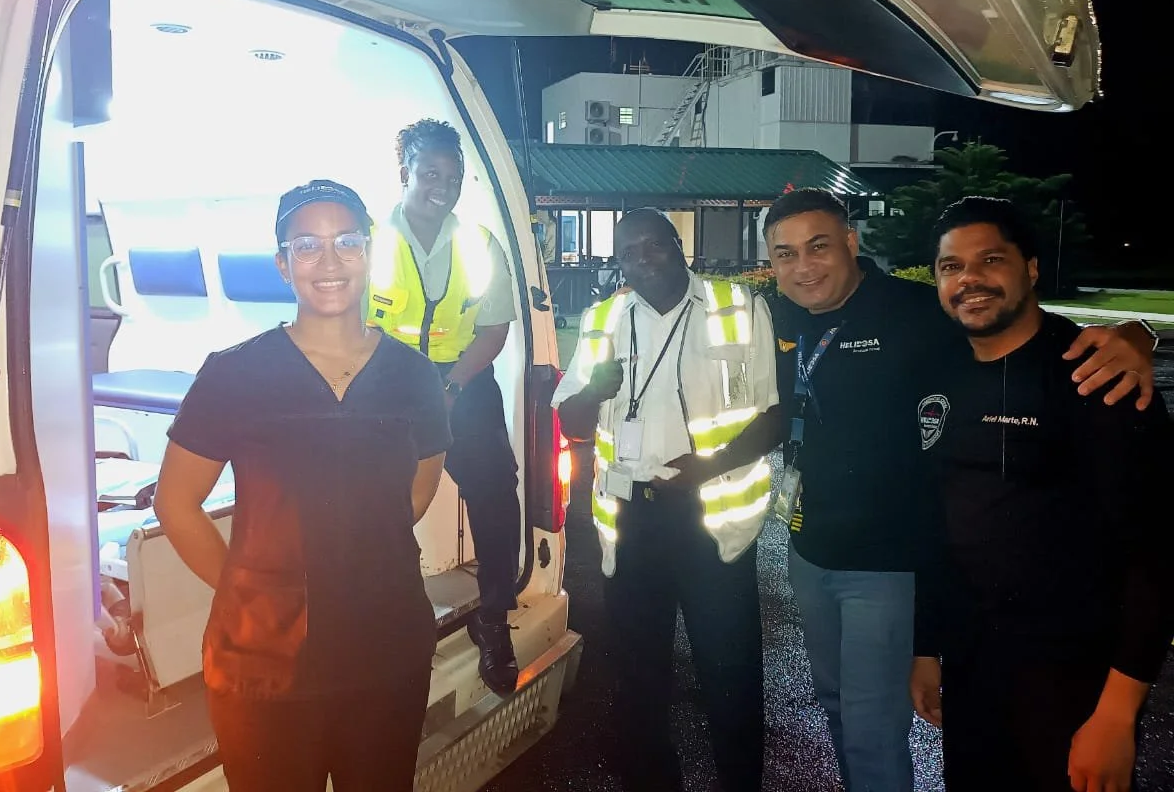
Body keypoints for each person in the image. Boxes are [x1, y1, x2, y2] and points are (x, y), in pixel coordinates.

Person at [762, 188, 1157, 792]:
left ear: (851, 242)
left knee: (874, 730)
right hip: (821, 552)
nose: (803, 266)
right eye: (784, 254)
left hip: (897, 568)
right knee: (841, 707)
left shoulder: (925, 316)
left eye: (818, 246)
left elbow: (1152, 552)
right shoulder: (785, 314)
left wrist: (1134, 335)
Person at [153, 179, 449, 791]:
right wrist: (252, 587)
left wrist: (353, 566)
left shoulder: (414, 376)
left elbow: (415, 495)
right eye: (307, 245)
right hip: (263, 665)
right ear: (283, 264)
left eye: (346, 241)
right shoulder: (233, 374)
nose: (330, 261)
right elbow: (177, 505)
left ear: (370, 253)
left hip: (385, 649)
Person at [910, 196, 1174, 792]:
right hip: (972, 665)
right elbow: (938, 523)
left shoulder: (1098, 375)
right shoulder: (940, 371)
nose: (969, 279)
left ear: (1030, 269)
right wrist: (927, 647)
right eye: (951, 267)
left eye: (991, 260)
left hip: (1072, 677)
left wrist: (1117, 714)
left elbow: (1155, 556)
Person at [553, 208, 785, 792]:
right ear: (620, 262)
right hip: (632, 519)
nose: (643, 259)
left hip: (711, 517)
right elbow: (571, 419)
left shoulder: (738, 308)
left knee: (728, 668)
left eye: (653, 245)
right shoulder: (603, 319)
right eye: (629, 252)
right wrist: (594, 391)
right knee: (636, 671)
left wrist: (709, 466)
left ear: (677, 245)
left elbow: (775, 416)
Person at [366, 118, 522, 694]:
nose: (443, 185)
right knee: (381, 504)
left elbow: (495, 327)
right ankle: (392, 617)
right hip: (388, 386)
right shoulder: (369, 241)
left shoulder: (478, 244)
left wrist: (451, 387)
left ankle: (494, 616)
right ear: (404, 172)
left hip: (464, 382)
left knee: (496, 494)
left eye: (453, 177)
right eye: (430, 173)